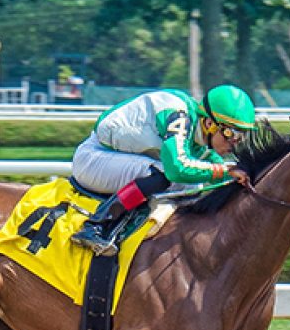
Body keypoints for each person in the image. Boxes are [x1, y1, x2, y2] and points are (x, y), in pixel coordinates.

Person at [70, 84, 257, 255]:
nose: (234, 143)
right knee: (161, 175)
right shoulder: (179, 117)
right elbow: (177, 168)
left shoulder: (198, 134)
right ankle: (98, 225)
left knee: (192, 184)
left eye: (241, 136)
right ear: (209, 124)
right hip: (94, 158)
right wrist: (225, 171)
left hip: (117, 158)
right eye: (231, 134)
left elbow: (215, 168)